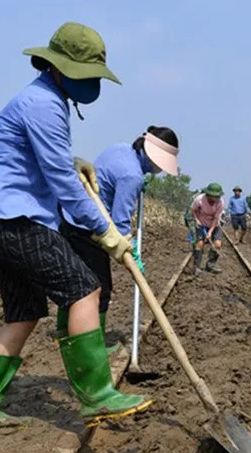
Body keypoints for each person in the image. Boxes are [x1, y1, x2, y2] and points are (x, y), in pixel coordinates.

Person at [0, 22, 153, 432]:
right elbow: (62, 185)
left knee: (24, 312)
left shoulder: (45, 99)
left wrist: (72, 160)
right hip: (12, 217)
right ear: (59, 68)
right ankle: (97, 396)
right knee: (84, 288)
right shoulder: (44, 105)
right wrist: (106, 232)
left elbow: (47, 163)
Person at [58, 127, 180, 354]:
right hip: (89, 228)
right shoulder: (132, 175)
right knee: (100, 288)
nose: (160, 170)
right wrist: (130, 253)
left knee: (74, 282)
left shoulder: (122, 149)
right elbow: (120, 223)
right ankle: (94, 346)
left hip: (70, 218)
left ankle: (63, 332)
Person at [190, 183, 225, 274]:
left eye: (216, 196)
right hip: (201, 224)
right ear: (208, 194)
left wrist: (210, 232)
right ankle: (196, 267)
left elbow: (216, 218)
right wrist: (196, 220)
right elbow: (193, 210)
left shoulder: (220, 202)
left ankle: (210, 265)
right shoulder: (199, 199)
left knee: (217, 244)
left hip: (214, 225)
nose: (214, 199)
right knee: (200, 244)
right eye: (213, 196)